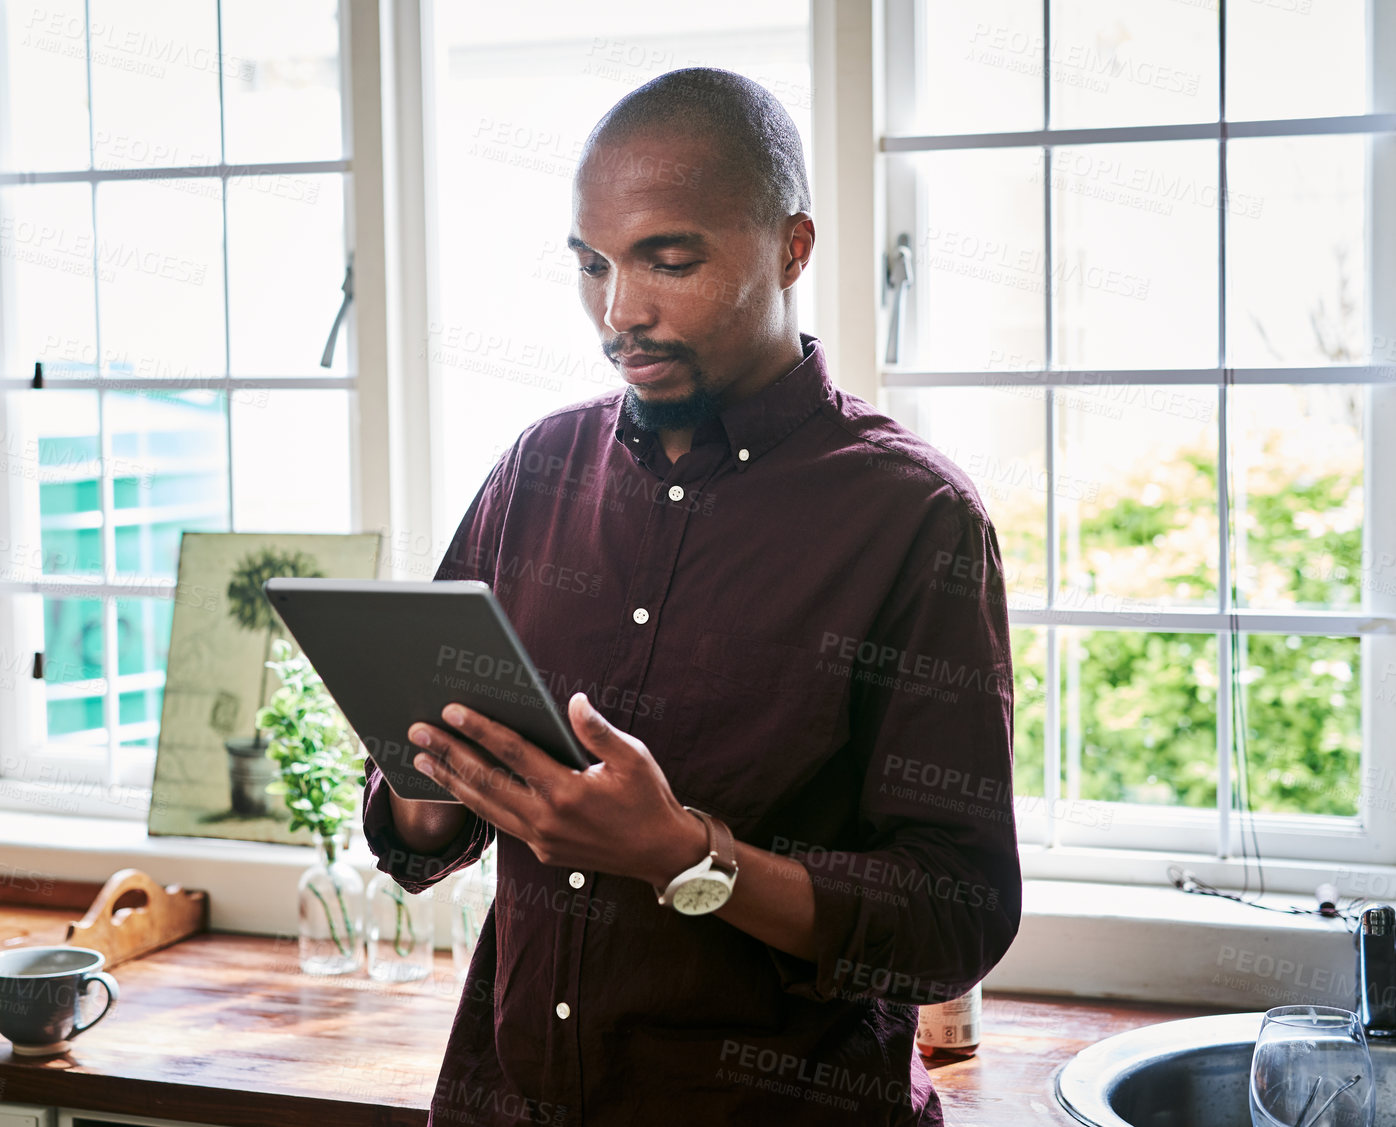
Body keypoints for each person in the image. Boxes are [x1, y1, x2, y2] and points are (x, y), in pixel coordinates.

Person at [361, 66, 1021, 1126]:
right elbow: (417, 826)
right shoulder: (536, 468)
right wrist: (430, 789)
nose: (619, 313)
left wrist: (682, 855)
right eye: (592, 267)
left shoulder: (911, 516)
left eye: (667, 261)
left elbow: (958, 913)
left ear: (790, 248)